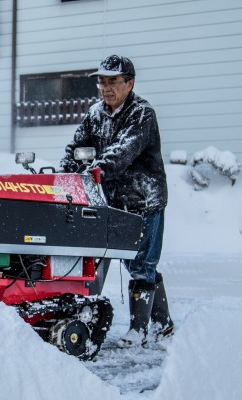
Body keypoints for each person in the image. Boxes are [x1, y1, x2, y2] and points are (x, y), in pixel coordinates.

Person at [59, 55, 174, 347]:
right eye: (102, 81)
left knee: (141, 265)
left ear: (130, 83)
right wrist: (62, 175)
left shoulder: (142, 114)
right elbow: (76, 147)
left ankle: (139, 331)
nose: (106, 88)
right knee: (133, 262)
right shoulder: (96, 113)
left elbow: (121, 153)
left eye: (113, 81)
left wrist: (94, 170)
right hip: (114, 201)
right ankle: (163, 323)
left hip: (144, 198)